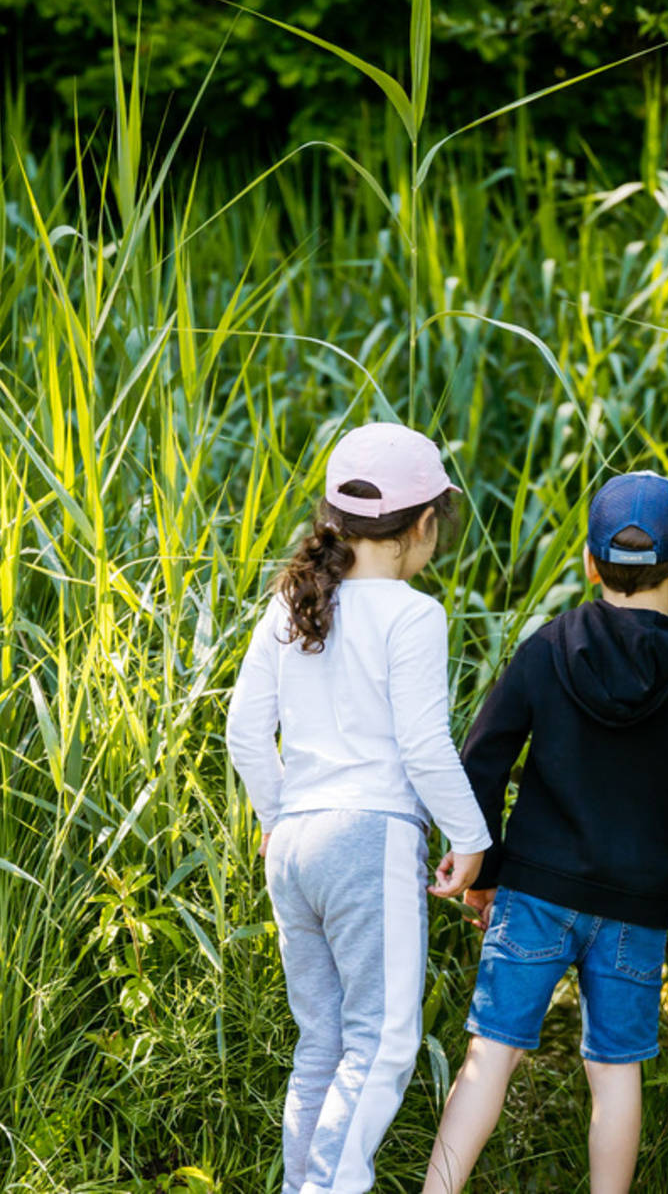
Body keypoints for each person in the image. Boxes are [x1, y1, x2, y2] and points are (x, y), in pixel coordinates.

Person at [422, 471, 668, 1194]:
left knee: (489, 1054)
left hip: (533, 889)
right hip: (636, 911)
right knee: (613, 1069)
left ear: (590, 563)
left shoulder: (546, 648)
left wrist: (489, 869)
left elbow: (481, 761)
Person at [226, 422, 491, 1194]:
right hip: (368, 838)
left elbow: (245, 730)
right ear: (423, 524)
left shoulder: (290, 601)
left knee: (322, 1044)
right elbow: (421, 744)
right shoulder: (413, 615)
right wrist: (470, 838)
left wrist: (279, 818)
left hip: (295, 844)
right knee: (380, 1045)